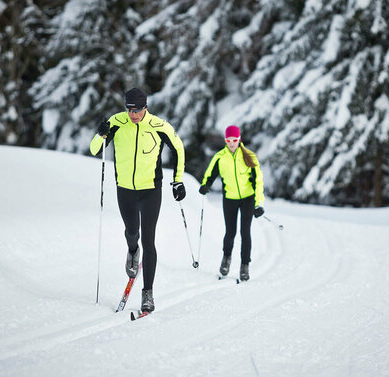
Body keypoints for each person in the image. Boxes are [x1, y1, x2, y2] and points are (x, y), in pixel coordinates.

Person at [90, 88, 186, 313]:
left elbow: (179, 148)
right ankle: (132, 251)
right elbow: (95, 150)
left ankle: (148, 294)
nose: (133, 115)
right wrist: (99, 133)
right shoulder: (117, 122)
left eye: (137, 110)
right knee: (132, 232)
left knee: (149, 240)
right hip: (125, 189)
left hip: (151, 190)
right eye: (129, 110)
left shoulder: (159, 126)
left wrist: (178, 180)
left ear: (145, 107)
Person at [199, 125, 264, 281]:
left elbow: (258, 181)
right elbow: (211, 173)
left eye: (234, 140)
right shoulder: (220, 157)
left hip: (247, 199)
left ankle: (244, 266)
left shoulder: (249, 156)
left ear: (239, 139)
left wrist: (258, 203)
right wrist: (205, 185)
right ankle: (226, 259)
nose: (232, 143)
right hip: (229, 199)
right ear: (225, 140)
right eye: (229, 140)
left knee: (245, 232)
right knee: (230, 232)